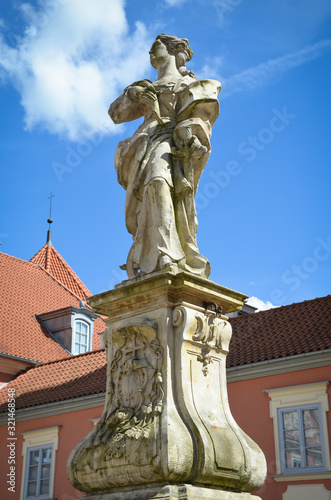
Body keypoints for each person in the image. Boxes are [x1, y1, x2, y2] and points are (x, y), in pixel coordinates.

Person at [109, 34, 221, 279]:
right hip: (144, 143)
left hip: (172, 141)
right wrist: (135, 94)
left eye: (155, 47)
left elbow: (201, 120)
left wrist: (191, 135)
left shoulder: (188, 84)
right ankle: (154, 253)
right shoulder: (146, 86)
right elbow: (115, 114)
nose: (150, 52)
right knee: (149, 194)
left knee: (159, 182)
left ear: (172, 49)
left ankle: (166, 254)